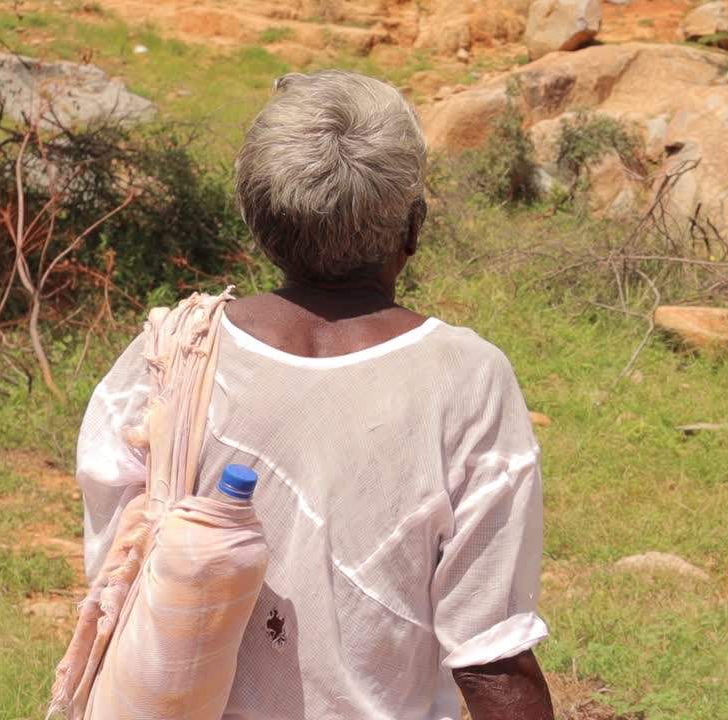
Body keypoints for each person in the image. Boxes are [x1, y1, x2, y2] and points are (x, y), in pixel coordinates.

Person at [74, 70, 554, 720]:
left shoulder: (175, 351)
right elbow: (490, 653)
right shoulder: (466, 378)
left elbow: (116, 563)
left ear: (257, 221)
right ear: (411, 228)